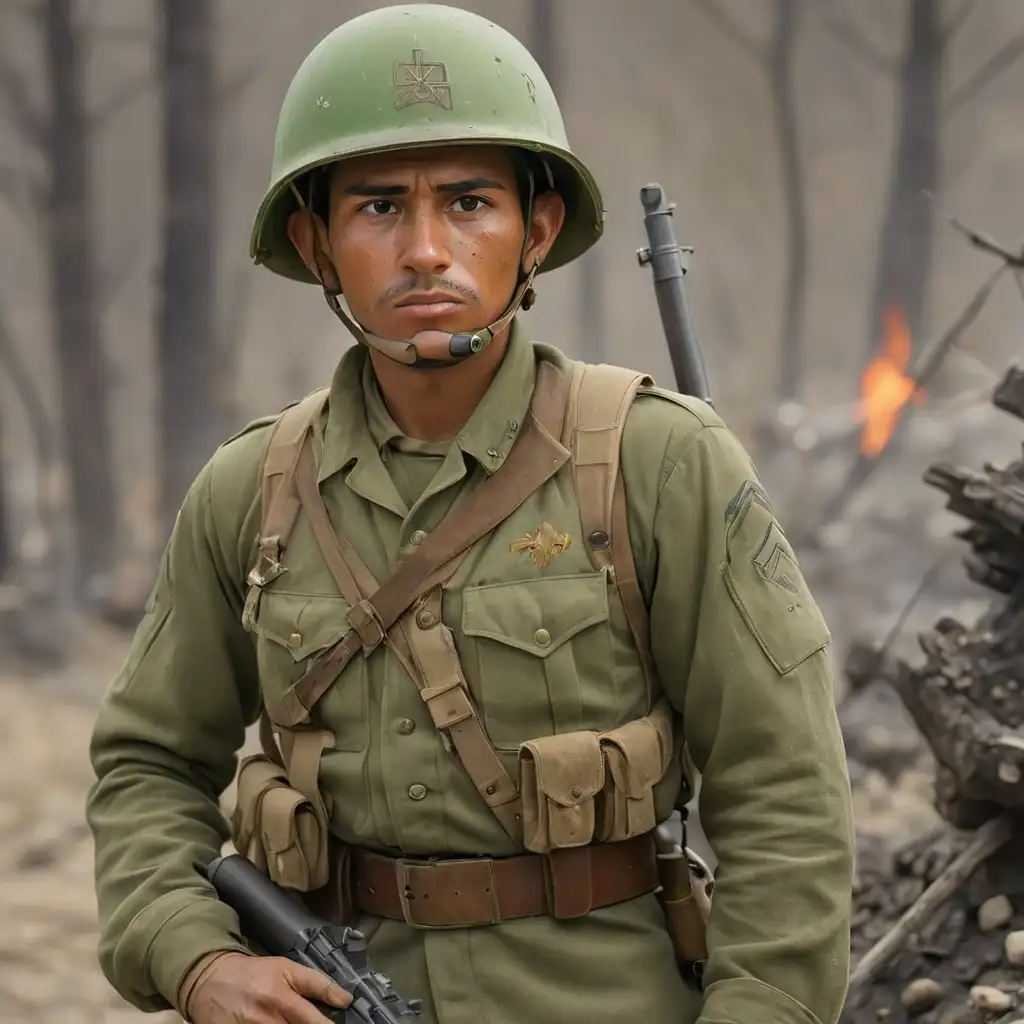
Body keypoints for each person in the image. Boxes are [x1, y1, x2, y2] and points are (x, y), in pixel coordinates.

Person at [86, 6, 855, 1024]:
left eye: (468, 203)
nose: (424, 250)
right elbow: (146, 760)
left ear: (534, 231)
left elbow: (786, 792)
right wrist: (193, 956)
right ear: (315, 242)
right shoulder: (252, 491)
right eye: (375, 208)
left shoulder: (657, 461)